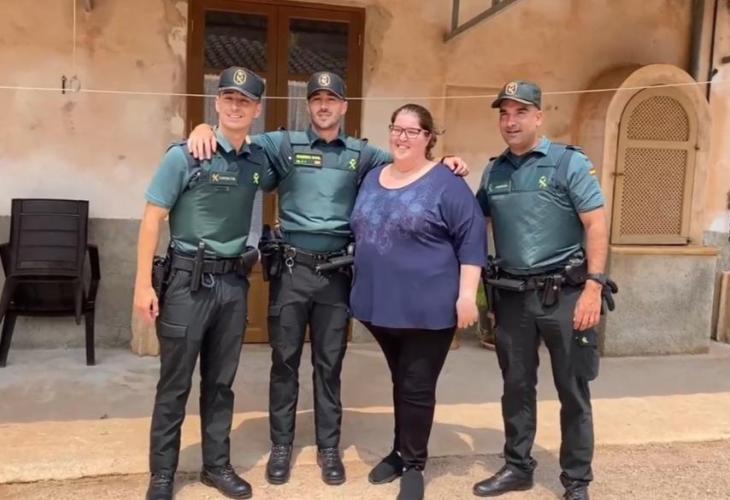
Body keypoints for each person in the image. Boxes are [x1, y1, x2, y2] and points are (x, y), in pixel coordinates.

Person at [186, 71, 468, 486]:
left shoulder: (363, 154)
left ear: (343, 107)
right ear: (308, 105)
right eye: (316, 99)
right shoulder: (284, 144)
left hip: (336, 274)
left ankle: (329, 448)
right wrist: (203, 128)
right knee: (284, 363)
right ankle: (282, 445)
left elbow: (408, 162)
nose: (323, 105)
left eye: (331, 99)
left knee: (329, 364)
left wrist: (446, 161)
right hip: (291, 271)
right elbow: (237, 135)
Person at [133, 66, 275, 500]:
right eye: (228, 98)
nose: (235, 106)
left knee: (220, 384)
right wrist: (142, 285)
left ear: (256, 110)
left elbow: (305, 157)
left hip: (233, 285)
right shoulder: (185, 155)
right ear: (216, 102)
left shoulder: (258, 160)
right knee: (174, 384)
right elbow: (152, 219)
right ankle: (162, 473)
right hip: (186, 283)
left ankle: (216, 466)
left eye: (244, 101)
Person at [472, 81, 609, 500]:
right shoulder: (494, 171)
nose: (510, 122)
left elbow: (596, 224)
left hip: (565, 296)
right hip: (513, 298)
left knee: (573, 390)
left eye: (520, 112)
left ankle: (576, 481)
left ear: (538, 116)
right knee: (516, 387)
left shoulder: (568, 162)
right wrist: (446, 172)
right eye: (504, 113)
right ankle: (518, 467)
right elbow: (473, 221)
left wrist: (593, 288)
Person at [349, 103, 487, 500]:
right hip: (379, 307)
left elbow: (472, 239)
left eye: (413, 131)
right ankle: (399, 451)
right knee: (401, 381)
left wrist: (467, 295)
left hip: (428, 309)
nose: (402, 137)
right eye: (397, 128)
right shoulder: (373, 176)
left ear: (429, 137)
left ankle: (413, 464)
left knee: (416, 385)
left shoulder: (447, 183)